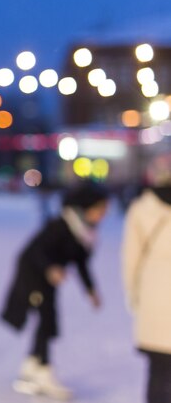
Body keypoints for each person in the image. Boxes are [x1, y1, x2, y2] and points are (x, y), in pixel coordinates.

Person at [0, 183, 109, 400]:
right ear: (86, 207)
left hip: (48, 279)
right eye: (100, 209)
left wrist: (91, 290)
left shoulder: (83, 231)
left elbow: (80, 262)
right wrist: (51, 268)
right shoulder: (62, 225)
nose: (103, 214)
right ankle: (43, 370)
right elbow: (37, 251)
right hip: (33, 273)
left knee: (48, 320)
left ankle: (32, 366)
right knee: (46, 320)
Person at [123, 165, 171, 403]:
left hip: (154, 294)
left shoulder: (141, 209)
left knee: (159, 372)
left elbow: (131, 259)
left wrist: (133, 296)